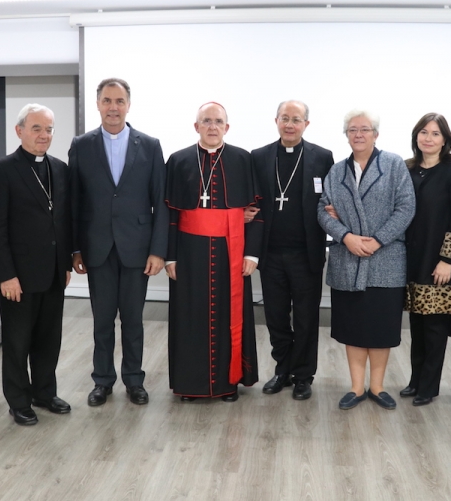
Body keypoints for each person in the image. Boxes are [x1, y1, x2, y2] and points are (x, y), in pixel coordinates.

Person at [68, 78, 168, 407]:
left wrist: (158, 250)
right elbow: (75, 202)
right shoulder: (81, 145)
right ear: (98, 104)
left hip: (137, 248)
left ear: (128, 105)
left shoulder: (150, 145)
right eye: (107, 100)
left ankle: (134, 380)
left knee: (134, 320)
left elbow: (160, 201)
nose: (113, 107)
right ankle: (102, 381)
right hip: (97, 247)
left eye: (119, 101)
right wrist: (76, 248)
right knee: (101, 320)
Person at [164, 102, 262, 401]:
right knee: (189, 317)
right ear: (196, 127)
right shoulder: (178, 160)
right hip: (189, 252)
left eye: (218, 121)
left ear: (226, 127)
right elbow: (169, 215)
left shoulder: (242, 159)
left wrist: (252, 254)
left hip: (230, 252)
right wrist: (170, 255)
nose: (212, 126)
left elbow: (255, 212)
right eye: (206, 121)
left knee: (227, 315)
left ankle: (227, 384)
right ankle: (189, 385)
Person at [0, 104, 72, 426]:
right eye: (36, 128)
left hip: (52, 273)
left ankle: (45, 393)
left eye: (48, 129)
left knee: (49, 339)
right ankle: (18, 400)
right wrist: (5, 274)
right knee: (18, 343)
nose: (44, 135)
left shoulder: (59, 169)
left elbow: (62, 220)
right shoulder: (1, 170)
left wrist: (66, 264)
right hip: (17, 276)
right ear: (19, 131)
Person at [318, 109, 415, 411]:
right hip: (348, 258)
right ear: (346, 135)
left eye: (364, 129)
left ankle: (378, 386)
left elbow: (406, 208)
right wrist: (346, 236)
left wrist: (378, 240)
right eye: (352, 130)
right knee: (354, 327)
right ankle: (356, 387)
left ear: (376, 133)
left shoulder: (394, 164)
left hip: (385, 259)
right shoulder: (336, 171)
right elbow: (322, 210)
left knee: (381, 328)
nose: (358, 134)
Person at [250, 100, 334, 400]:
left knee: (306, 317)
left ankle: (303, 376)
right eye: (284, 118)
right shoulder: (259, 157)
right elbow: (251, 198)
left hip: (306, 254)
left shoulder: (322, 157)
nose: (289, 124)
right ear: (276, 121)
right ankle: (282, 370)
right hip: (271, 254)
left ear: (306, 124)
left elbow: (331, 199)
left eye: (296, 119)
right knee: (275, 316)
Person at [400, 113, 451, 406]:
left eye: (435, 134)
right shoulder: (408, 169)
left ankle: (428, 387)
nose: (428, 138)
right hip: (413, 259)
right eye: (423, 132)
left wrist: (449, 260)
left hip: (441, 262)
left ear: (445, 140)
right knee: (417, 326)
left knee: (435, 329)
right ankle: (415, 380)